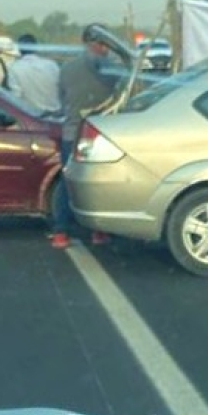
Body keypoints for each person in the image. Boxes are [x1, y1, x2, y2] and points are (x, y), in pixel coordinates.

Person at [50, 24, 119, 249]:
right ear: (99, 43)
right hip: (101, 134)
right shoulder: (111, 68)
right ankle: (98, 231)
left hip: (72, 132)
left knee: (68, 182)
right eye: (105, 44)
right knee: (100, 183)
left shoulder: (67, 68)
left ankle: (61, 232)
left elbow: (62, 100)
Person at [7, 34, 61, 112]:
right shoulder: (51, 65)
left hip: (31, 118)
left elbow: (16, 97)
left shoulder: (14, 68)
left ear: (19, 49)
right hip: (56, 117)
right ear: (36, 47)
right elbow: (62, 91)